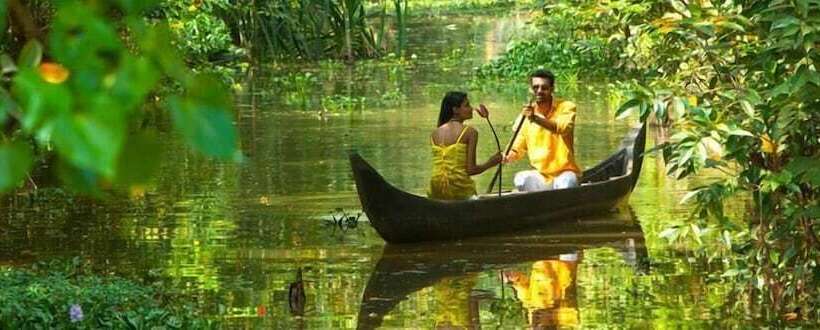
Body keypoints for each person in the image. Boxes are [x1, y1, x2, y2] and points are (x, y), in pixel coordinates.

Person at [503, 69, 581, 192]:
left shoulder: (566, 107)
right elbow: (518, 147)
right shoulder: (525, 116)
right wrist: (508, 155)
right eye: (535, 87)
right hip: (541, 176)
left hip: (564, 173)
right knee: (520, 179)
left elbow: (562, 128)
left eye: (544, 88)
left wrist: (535, 118)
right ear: (531, 89)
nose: (539, 91)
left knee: (567, 183)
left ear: (552, 89)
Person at [429, 91, 502, 200]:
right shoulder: (470, 132)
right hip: (459, 189)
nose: (471, 108)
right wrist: (491, 162)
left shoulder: (435, 133)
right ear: (455, 110)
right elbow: (471, 170)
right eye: (467, 105)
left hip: (435, 188)